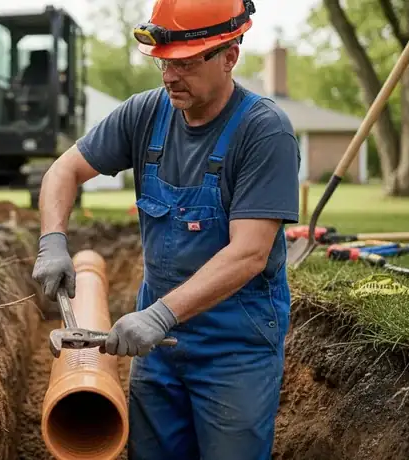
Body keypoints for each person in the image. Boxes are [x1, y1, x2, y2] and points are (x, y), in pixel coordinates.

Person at [31, 0, 300, 458]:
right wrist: (53, 241)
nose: (170, 77)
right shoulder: (145, 114)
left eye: (186, 63)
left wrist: (159, 315)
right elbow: (63, 171)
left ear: (229, 56)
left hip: (234, 352)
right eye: (163, 62)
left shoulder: (264, 132)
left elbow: (250, 254)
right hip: (156, 353)